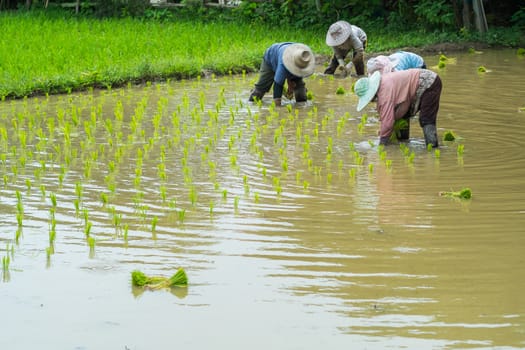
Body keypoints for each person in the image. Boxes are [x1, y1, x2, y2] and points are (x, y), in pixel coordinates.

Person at [354, 69, 442, 148]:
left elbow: (388, 123)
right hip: (418, 84)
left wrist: (382, 143)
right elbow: (391, 114)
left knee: (426, 119)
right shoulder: (383, 84)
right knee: (402, 116)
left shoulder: (384, 92)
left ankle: (432, 148)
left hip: (429, 82)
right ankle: (404, 142)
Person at [248, 42, 316, 106]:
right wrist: (277, 107)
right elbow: (278, 85)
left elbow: (296, 74)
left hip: (293, 58)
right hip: (271, 59)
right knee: (259, 91)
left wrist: (291, 83)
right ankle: (251, 103)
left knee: (301, 93)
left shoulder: (304, 56)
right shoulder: (283, 64)